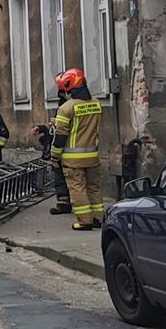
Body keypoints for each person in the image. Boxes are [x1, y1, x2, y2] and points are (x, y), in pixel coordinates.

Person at [50, 68, 103, 231]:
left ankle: (84, 221)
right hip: (93, 155)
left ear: (68, 89)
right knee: (94, 187)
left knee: (77, 188)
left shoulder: (66, 108)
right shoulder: (96, 103)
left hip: (73, 159)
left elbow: (60, 136)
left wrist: (54, 156)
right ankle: (98, 218)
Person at [34, 89, 73, 215]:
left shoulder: (69, 108)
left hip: (67, 150)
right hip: (62, 149)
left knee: (69, 180)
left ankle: (70, 204)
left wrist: (55, 156)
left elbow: (63, 130)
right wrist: (43, 129)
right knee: (60, 177)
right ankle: (64, 203)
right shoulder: (63, 107)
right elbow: (55, 130)